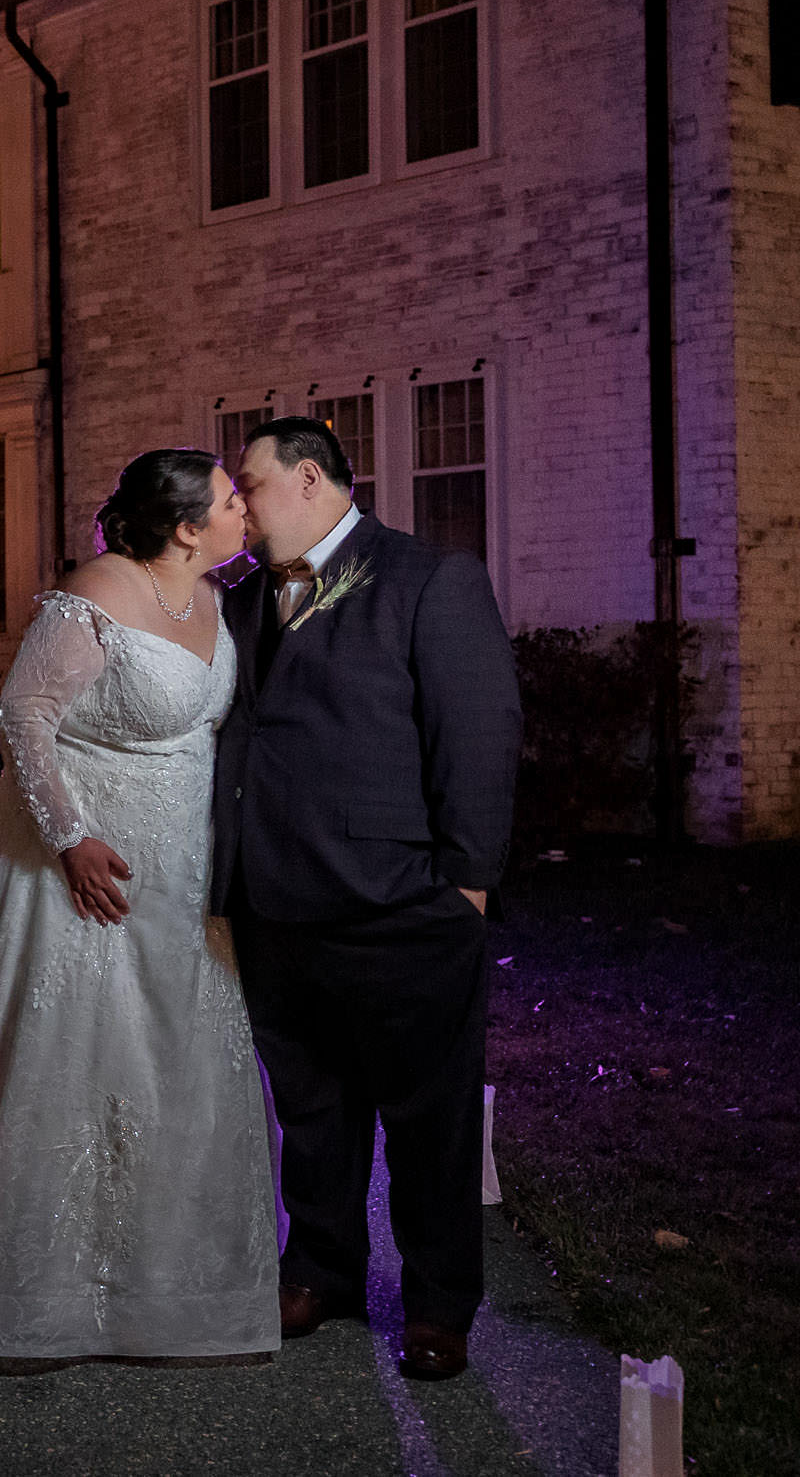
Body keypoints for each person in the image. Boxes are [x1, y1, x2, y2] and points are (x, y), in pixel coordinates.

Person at [0, 448, 279, 1369]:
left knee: (180, 1066)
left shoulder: (217, 599)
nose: (246, 509)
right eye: (231, 499)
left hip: (187, 880)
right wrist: (70, 837)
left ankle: (173, 1289)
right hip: (86, 874)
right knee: (74, 1063)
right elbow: (22, 711)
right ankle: (32, 1301)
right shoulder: (98, 592)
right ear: (185, 525)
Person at [215, 415, 521, 1383]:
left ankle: (436, 1303)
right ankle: (321, 1268)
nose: (240, 510)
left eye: (250, 487)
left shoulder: (429, 581)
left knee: (428, 1123)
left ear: (309, 480)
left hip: (401, 910)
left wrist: (463, 888)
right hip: (275, 908)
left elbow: (479, 728)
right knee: (310, 1111)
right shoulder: (240, 604)